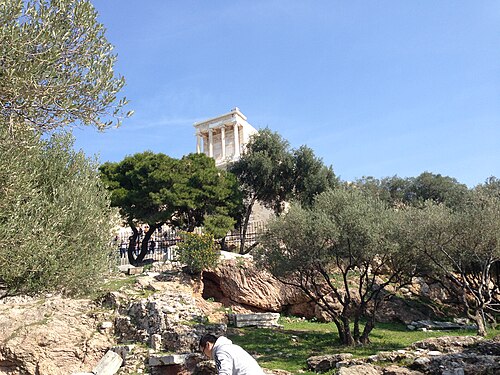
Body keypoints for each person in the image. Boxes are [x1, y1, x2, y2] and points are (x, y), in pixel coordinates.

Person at [198, 334, 265, 375]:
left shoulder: (220, 351)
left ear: (208, 345)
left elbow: (224, 372)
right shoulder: (230, 347)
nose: (205, 355)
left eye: (203, 351)